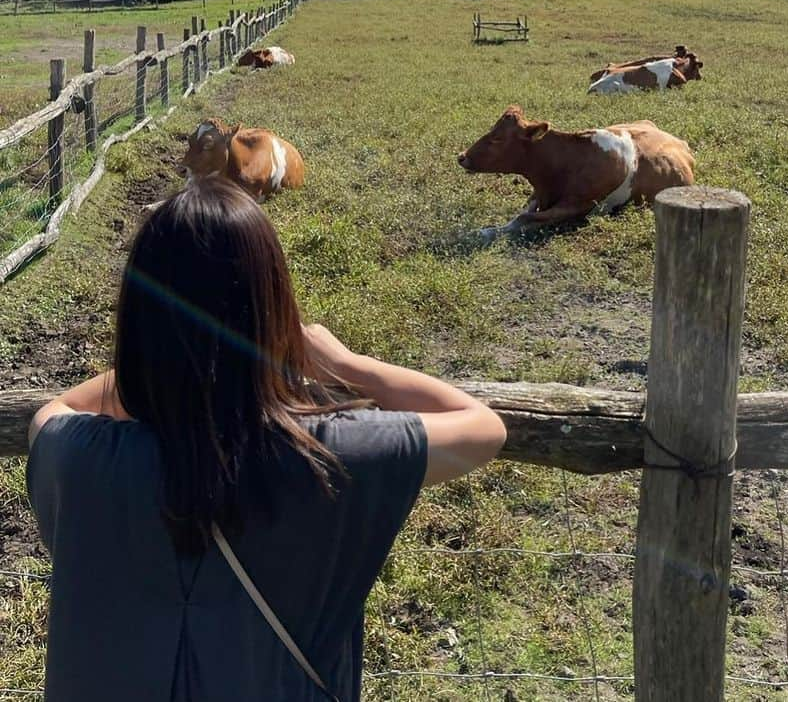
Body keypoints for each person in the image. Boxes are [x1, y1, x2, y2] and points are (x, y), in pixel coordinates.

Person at [27, 178, 506, 701]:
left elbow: (55, 410)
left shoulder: (77, 454)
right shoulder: (327, 453)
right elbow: (483, 427)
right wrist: (347, 364)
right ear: (272, 306)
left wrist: (162, 363)